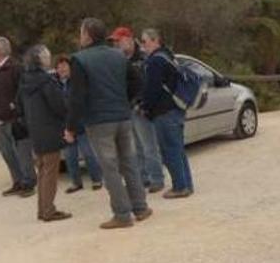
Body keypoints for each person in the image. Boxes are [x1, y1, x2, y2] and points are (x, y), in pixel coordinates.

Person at [66, 17, 152, 229]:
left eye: (81, 32)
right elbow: (138, 81)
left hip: (99, 121)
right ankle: (141, 207)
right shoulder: (118, 55)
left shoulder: (79, 59)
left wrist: (71, 127)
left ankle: (122, 215)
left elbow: (77, 97)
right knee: (129, 163)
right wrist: (126, 100)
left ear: (87, 35)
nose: (79, 36)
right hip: (123, 117)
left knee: (110, 168)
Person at [17, 45, 72, 222]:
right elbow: (59, 106)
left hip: (35, 131)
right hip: (50, 131)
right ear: (40, 60)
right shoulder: (46, 81)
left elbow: (19, 108)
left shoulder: (25, 80)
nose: (50, 58)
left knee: (42, 172)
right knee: (50, 173)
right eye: (47, 56)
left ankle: (42, 209)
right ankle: (48, 210)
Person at [140, 28, 194, 199]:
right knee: (178, 149)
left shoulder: (155, 61)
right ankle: (187, 184)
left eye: (144, 41)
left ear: (155, 40)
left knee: (169, 150)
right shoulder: (168, 56)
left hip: (164, 111)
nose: (143, 45)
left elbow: (152, 88)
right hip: (176, 109)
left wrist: (145, 107)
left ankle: (179, 187)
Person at [110, 26, 165, 194]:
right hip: (126, 109)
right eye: (114, 42)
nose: (116, 45)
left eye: (118, 41)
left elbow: (148, 84)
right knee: (136, 147)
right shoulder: (119, 60)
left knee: (149, 145)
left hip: (141, 108)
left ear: (128, 39)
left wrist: (142, 104)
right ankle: (143, 178)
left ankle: (157, 178)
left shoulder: (144, 57)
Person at [0, 36, 36, 197]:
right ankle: (18, 181)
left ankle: (29, 183)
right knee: (7, 154)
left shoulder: (16, 68)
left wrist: (18, 111)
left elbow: (25, 93)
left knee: (22, 153)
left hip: (15, 120)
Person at [55, 55, 103, 193]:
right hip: (65, 126)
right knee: (70, 157)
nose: (62, 69)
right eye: (59, 67)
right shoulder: (55, 84)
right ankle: (76, 182)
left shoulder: (76, 82)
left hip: (81, 124)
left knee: (88, 153)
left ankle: (97, 179)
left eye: (64, 66)